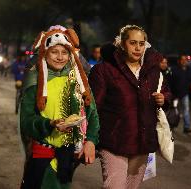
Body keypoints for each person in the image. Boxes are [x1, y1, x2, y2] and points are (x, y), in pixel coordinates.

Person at [89, 25, 171, 189]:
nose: (138, 47)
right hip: (113, 142)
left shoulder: (152, 71)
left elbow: (165, 92)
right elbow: (93, 107)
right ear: (122, 44)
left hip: (142, 143)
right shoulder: (104, 69)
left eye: (141, 43)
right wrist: (89, 139)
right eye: (133, 42)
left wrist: (164, 99)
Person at [19, 26, 100, 189]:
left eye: (64, 52)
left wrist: (91, 141)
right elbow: (26, 122)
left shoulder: (78, 82)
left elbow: (92, 114)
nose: (60, 57)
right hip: (42, 158)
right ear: (45, 52)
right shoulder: (35, 83)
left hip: (67, 158)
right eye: (54, 52)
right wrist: (49, 124)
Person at [170, 55, 191, 134]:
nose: (184, 61)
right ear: (179, 61)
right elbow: (170, 81)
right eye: (182, 59)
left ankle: (186, 127)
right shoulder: (174, 69)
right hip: (175, 95)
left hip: (185, 94)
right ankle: (172, 125)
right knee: (174, 111)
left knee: (186, 110)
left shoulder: (190, 70)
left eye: (185, 60)